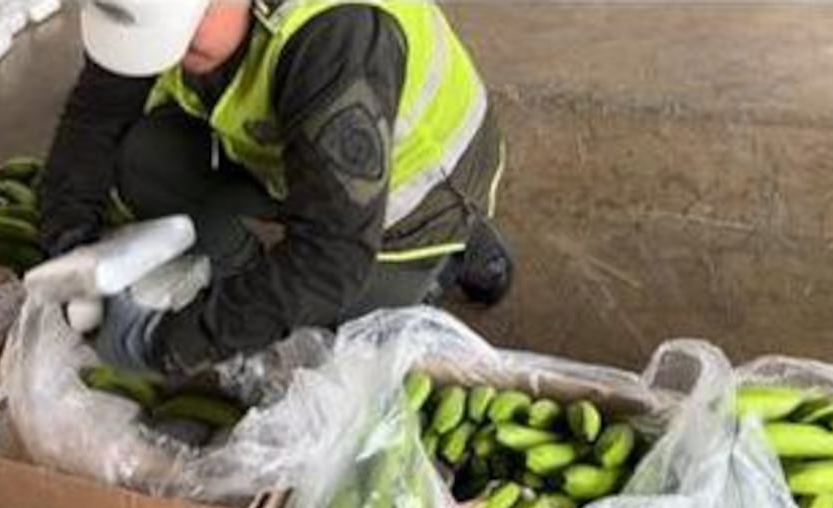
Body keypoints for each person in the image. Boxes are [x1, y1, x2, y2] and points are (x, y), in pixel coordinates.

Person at [39, 0, 513, 375]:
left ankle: (454, 252)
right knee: (145, 156)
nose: (172, 56)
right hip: (297, 155)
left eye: (183, 35)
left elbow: (332, 259)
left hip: (421, 193)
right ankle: (257, 274)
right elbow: (95, 116)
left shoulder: (337, 35)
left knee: (332, 345)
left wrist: (176, 343)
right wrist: (69, 245)